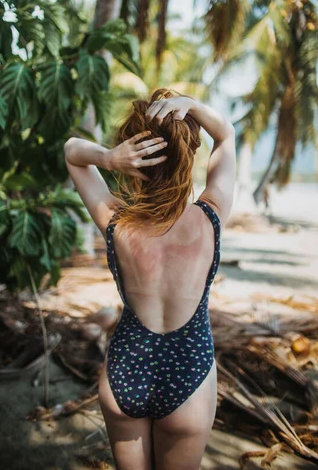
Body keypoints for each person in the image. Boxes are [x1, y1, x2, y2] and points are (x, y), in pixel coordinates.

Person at [64, 88, 236, 470]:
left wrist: (108, 158)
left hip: (126, 367)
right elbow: (226, 135)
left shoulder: (117, 221)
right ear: (188, 157)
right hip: (188, 372)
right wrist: (192, 106)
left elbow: (72, 154)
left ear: (134, 157)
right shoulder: (211, 217)